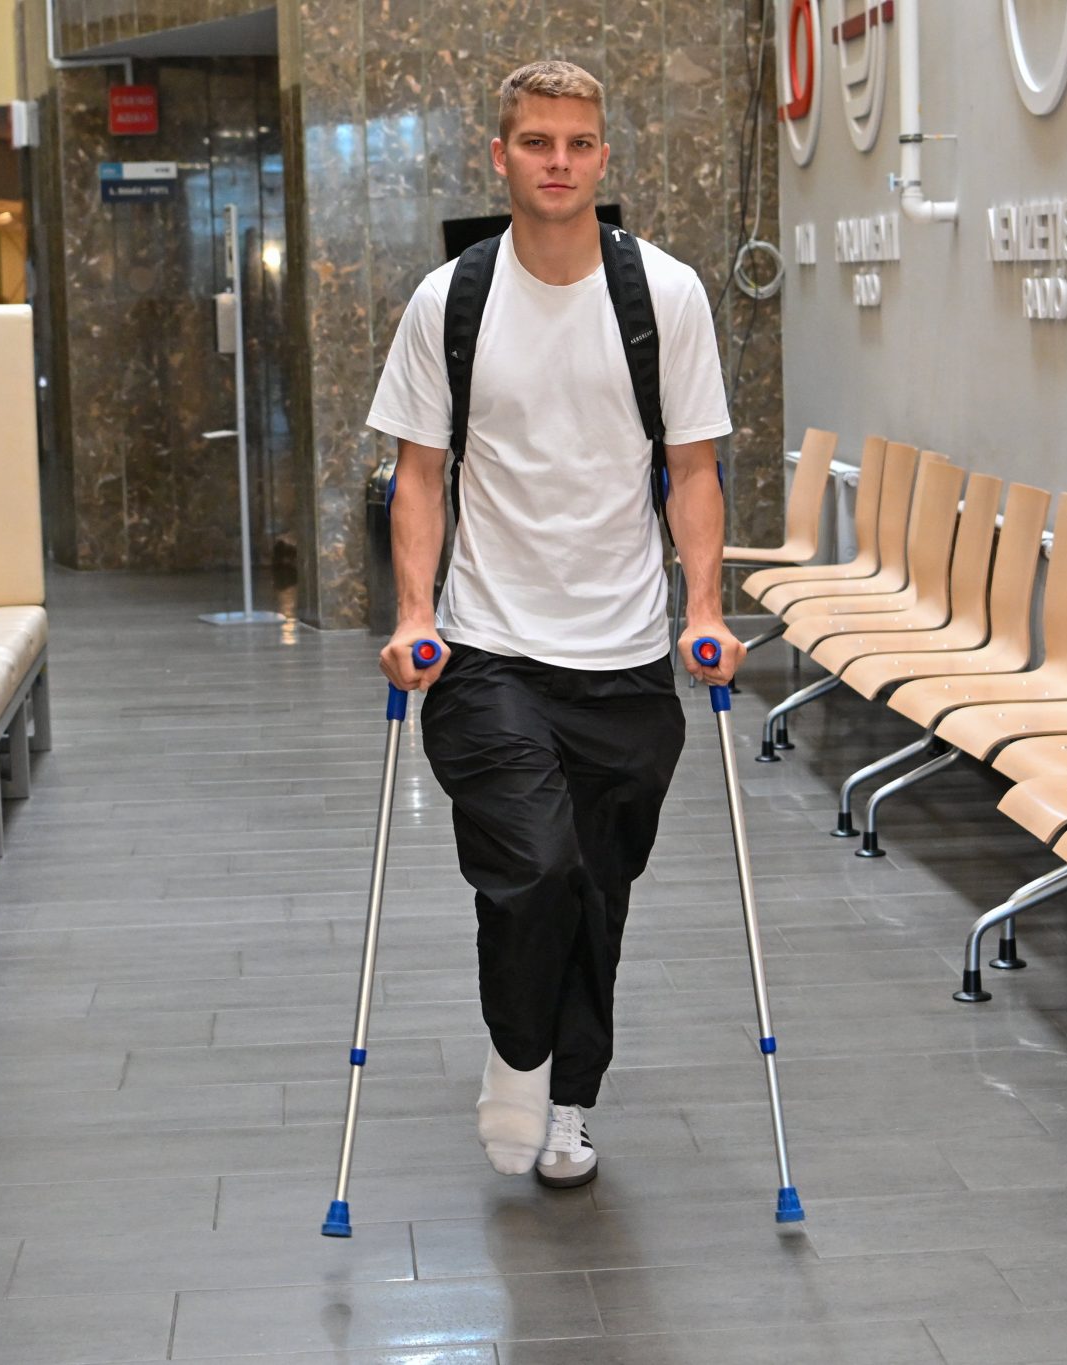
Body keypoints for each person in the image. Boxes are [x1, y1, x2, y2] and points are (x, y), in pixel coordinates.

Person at [365, 59, 744, 1189]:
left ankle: (570, 1098)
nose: (559, 163)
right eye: (537, 142)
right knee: (531, 867)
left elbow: (692, 469)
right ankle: (519, 1055)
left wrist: (705, 607)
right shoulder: (450, 301)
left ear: (603, 157)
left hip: (624, 659)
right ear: (501, 155)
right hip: (488, 650)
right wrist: (415, 613)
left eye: (579, 144)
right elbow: (418, 475)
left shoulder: (664, 296)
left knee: (595, 893)